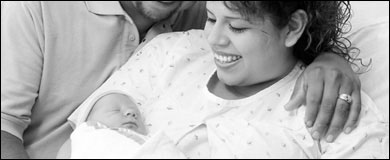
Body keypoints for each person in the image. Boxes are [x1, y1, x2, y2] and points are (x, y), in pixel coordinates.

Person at [1, 1, 362, 159]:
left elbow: (268, 25)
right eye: (211, 19)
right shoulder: (37, 7)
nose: (216, 34)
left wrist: (331, 57)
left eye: (227, 23)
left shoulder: (191, 17)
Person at [65, 93, 185, 159]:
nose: (131, 113)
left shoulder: (150, 140)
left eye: (136, 115)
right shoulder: (87, 135)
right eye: (116, 110)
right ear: (88, 121)